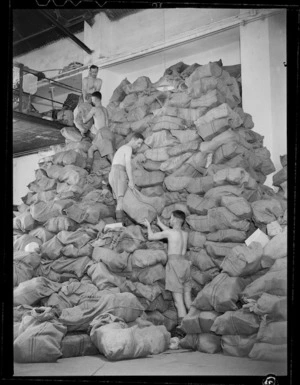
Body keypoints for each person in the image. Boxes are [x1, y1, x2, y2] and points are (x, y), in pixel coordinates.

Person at [143, 211, 192, 337]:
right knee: (187, 298)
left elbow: (151, 237)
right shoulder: (184, 234)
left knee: (178, 301)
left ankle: (183, 329)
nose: (169, 221)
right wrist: (159, 223)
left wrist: (148, 226)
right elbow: (170, 233)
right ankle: (193, 322)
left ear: (175, 219)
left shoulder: (170, 233)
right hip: (185, 265)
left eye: (170, 218)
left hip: (174, 265)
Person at [108, 133, 144, 223]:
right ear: (133, 139)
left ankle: (119, 223)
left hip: (113, 173)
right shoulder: (128, 148)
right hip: (119, 173)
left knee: (119, 201)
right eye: (138, 143)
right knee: (120, 201)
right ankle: (119, 225)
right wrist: (131, 180)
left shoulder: (122, 148)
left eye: (140, 144)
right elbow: (127, 164)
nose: (139, 146)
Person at [82, 91, 114, 167]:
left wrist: (82, 113)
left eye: (92, 99)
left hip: (101, 134)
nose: (91, 101)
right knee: (109, 153)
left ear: (95, 99)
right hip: (108, 132)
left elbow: (84, 120)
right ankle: (114, 167)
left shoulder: (94, 109)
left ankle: (88, 168)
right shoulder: (105, 109)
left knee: (91, 151)